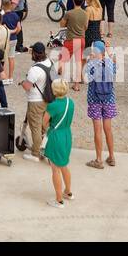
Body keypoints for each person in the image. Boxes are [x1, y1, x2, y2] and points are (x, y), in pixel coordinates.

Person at [83, 42, 117, 169]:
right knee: (108, 128)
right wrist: (109, 53)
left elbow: (86, 77)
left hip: (94, 99)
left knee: (97, 129)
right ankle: (112, 156)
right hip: (109, 98)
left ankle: (98, 159)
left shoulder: (91, 64)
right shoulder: (109, 63)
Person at [43, 80, 75, 208]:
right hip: (67, 134)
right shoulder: (70, 102)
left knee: (55, 169)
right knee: (64, 165)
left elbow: (43, 123)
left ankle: (59, 199)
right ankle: (68, 191)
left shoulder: (53, 105)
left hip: (56, 136)